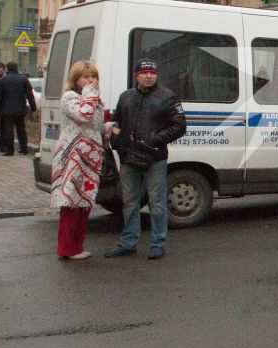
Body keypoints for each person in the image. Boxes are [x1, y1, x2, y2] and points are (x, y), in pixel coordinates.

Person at [104, 59, 186, 260]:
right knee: (130, 202)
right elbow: (117, 123)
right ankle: (128, 242)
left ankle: (158, 243)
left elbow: (180, 126)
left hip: (154, 158)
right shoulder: (126, 97)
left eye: (152, 72)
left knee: (157, 203)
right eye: (144, 72)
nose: (149, 76)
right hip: (129, 158)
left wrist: (154, 140)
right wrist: (118, 141)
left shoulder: (168, 97)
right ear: (136, 75)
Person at [52, 61, 106, 260]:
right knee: (71, 202)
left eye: (94, 77)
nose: (91, 81)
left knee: (84, 202)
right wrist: (90, 96)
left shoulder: (94, 101)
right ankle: (67, 248)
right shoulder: (70, 97)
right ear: (75, 79)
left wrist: (109, 126)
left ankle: (77, 246)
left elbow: (95, 125)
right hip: (73, 155)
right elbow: (83, 116)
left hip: (90, 156)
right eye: (86, 77)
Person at [0, 62, 37, 155]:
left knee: (9, 130)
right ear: (16, 68)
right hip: (20, 109)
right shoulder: (23, 79)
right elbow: (30, 94)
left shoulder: (2, 80)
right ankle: (24, 148)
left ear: (7, 68)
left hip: (6, 109)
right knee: (21, 129)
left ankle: (10, 150)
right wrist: (33, 107)